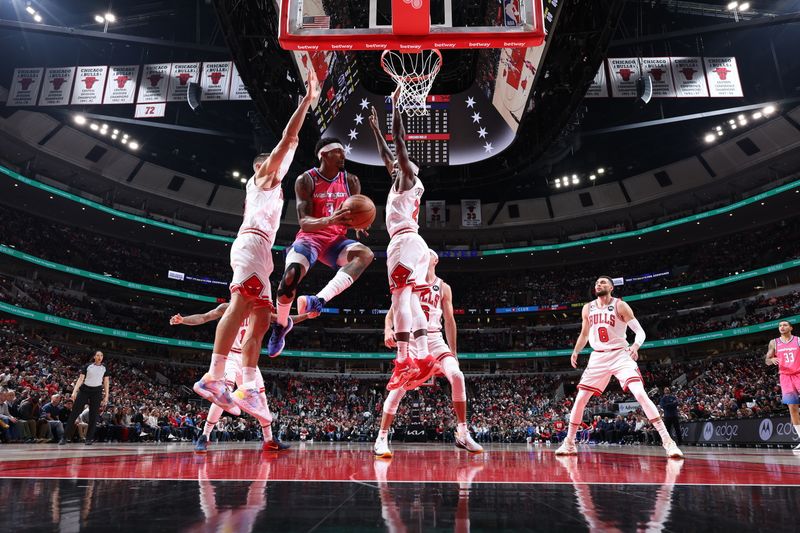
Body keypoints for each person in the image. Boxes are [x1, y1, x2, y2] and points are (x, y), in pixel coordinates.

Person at [193, 67, 319, 419]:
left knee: (263, 317)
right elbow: (288, 140)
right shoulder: (263, 177)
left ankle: (247, 386)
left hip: (262, 251)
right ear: (261, 165)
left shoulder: (273, 189)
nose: (279, 164)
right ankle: (214, 377)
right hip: (251, 244)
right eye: (273, 162)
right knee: (240, 303)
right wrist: (307, 101)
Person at [555, 276, 683, 458]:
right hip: (598, 356)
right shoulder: (587, 308)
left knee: (639, 393)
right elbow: (584, 334)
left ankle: (668, 442)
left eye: (603, 282)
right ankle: (569, 443)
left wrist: (635, 346)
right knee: (580, 399)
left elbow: (640, 331)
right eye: (597, 282)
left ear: (612, 287)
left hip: (620, 354)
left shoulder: (620, 305)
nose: (599, 284)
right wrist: (575, 351)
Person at [269, 136, 374, 355]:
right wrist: (330, 220)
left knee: (365, 254)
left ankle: (319, 299)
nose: (343, 155)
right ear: (324, 154)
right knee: (289, 278)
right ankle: (281, 325)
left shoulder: (351, 180)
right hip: (311, 238)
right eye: (338, 151)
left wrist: (359, 224)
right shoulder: (306, 180)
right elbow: (304, 223)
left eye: (344, 152)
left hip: (336, 241)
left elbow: (355, 211)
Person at [375, 250, 482, 458]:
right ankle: (381, 437)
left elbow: (449, 321)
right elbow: (391, 313)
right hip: (412, 341)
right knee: (398, 391)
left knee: (458, 376)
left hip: (434, 338)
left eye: (427, 253)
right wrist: (388, 329)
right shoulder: (409, 282)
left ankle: (462, 432)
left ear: (435, 260)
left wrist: (454, 352)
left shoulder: (443, 287)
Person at [368, 88, 435, 391]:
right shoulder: (400, 180)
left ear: (408, 170)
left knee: (399, 298)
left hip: (404, 241)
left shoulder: (407, 178)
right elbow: (387, 153)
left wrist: (394, 105)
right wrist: (374, 130)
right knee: (412, 300)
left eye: (398, 164)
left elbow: (398, 142)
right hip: (416, 243)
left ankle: (403, 359)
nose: (393, 165)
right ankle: (422, 358)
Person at [172, 304, 309, 452]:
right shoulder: (228, 307)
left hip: (248, 358)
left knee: (261, 398)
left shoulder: (259, 310)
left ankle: (269, 440)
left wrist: (307, 315)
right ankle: (204, 436)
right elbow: (205, 317)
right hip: (230, 356)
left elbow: (285, 320)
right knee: (222, 393)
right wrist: (183, 320)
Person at [60, 350, 110, 445]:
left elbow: (106, 382)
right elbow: (80, 379)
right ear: (94, 357)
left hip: (97, 391)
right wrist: (74, 392)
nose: (100, 357)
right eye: (98, 355)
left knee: (93, 415)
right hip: (84, 390)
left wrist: (106, 396)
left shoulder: (105, 368)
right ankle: (64, 437)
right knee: (74, 413)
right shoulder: (87, 366)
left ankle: (88, 439)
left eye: (101, 355)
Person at [765, 320, 800, 451]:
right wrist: (771, 359)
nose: (782, 327)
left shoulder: (798, 340)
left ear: (791, 327)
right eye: (780, 326)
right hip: (785, 377)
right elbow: (767, 360)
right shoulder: (774, 342)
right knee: (792, 407)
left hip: (799, 373)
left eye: (785, 325)